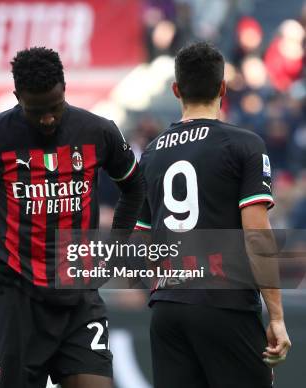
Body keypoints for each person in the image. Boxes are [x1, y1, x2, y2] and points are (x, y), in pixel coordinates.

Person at [0, 47, 145, 388]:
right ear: (18, 96)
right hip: (17, 303)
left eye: (55, 107)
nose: (48, 118)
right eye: (37, 111)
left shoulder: (98, 132)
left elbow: (135, 187)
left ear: (65, 88)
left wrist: (114, 251)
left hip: (79, 300)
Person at [136, 42, 292, 388]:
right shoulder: (244, 145)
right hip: (225, 303)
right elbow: (256, 234)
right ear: (223, 88)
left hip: (167, 308)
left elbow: (141, 239)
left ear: (176, 90)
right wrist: (277, 317)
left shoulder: (151, 154)